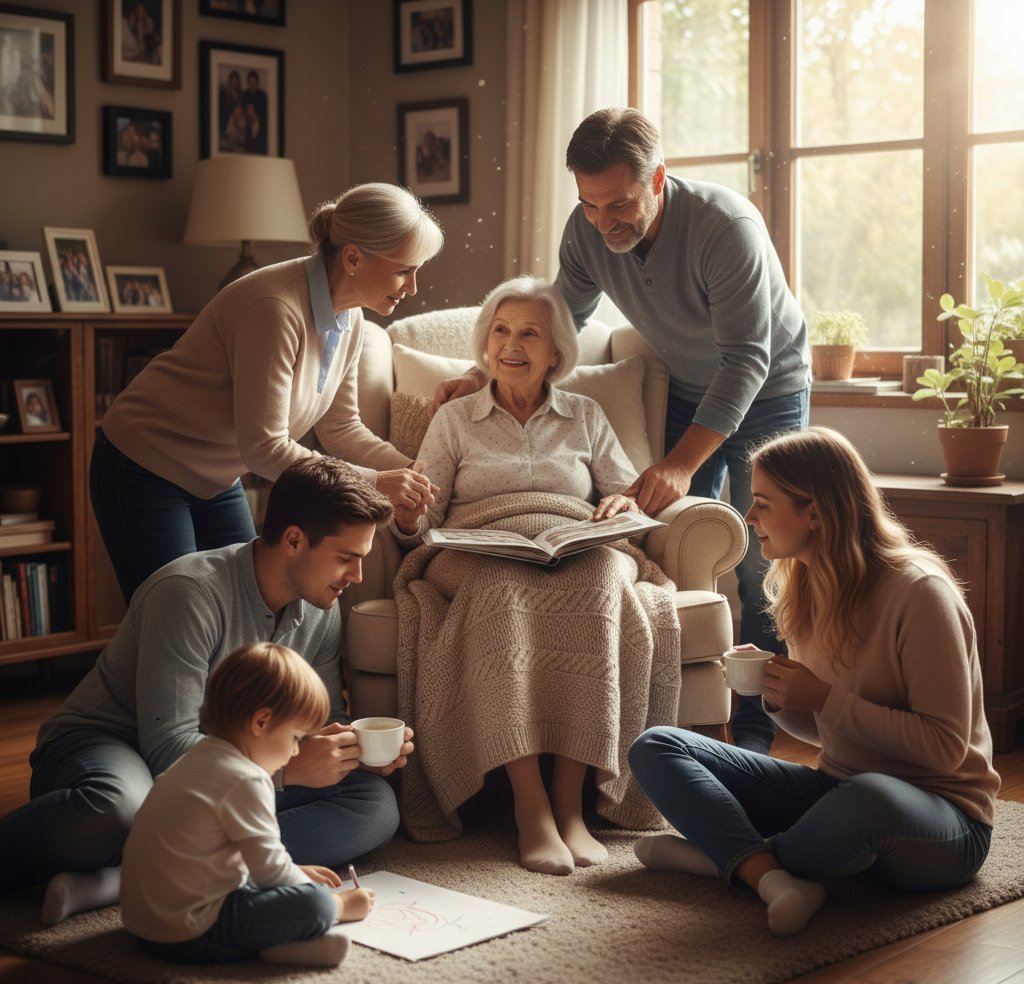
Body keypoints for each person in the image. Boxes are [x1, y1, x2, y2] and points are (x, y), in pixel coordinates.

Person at [436, 108, 811, 754]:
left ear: (658, 178)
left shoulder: (727, 229)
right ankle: (681, 728)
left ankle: (754, 739)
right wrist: (484, 376)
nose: (605, 221)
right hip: (689, 382)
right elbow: (559, 322)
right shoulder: (586, 235)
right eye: (590, 205)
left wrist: (680, 463)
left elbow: (747, 359)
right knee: (666, 542)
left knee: (762, 564)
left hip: (768, 391)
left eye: (620, 205)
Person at [0, 457, 414, 925]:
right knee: (119, 808)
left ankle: (127, 874)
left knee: (373, 806)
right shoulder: (189, 592)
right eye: (347, 558)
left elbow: (308, 726)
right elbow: (167, 749)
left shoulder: (321, 609)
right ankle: (151, 863)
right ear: (295, 540)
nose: (357, 577)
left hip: (228, 771)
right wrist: (289, 770)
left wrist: (349, 755)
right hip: (113, 744)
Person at [627, 427, 999, 937]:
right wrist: (779, 694)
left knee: (871, 798)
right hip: (838, 791)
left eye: (761, 503)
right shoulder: (804, 586)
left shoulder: (920, 593)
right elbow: (831, 734)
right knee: (656, 745)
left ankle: (727, 860)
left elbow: (944, 749)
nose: (749, 518)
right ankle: (776, 876)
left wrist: (824, 697)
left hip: (943, 821)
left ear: (816, 514)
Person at [392, 275, 682, 875]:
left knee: (602, 583)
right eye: (500, 331)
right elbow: (423, 521)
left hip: (569, 541)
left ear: (556, 352)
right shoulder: (454, 419)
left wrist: (625, 507)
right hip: (479, 547)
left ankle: (570, 805)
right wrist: (405, 513)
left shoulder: (585, 414)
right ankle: (531, 807)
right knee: (501, 590)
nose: (511, 344)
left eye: (529, 332)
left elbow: (624, 494)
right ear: (485, 343)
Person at [91, 181, 444, 603]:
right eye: (405, 269)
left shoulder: (350, 320)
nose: (413, 287)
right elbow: (264, 448)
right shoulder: (275, 308)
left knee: (248, 605)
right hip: (144, 465)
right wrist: (374, 483)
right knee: (172, 617)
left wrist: (418, 472)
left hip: (216, 476)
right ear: (353, 258)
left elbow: (342, 428)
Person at [121, 643, 375, 967]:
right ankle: (290, 940)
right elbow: (269, 873)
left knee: (274, 890)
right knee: (314, 905)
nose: (296, 752)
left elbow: (238, 862)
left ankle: (278, 947)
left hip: (143, 925)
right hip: (188, 933)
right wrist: (338, 903)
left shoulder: (199, 757)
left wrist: (293, 871)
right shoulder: (247, 779)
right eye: (297, 738)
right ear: (261, 722)